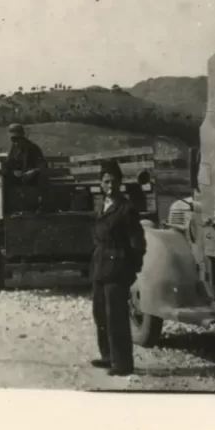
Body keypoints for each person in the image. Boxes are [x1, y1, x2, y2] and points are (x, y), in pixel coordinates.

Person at [90, 159, 147, 377]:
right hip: (100, 265)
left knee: (116, 317)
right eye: (106, 181)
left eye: (114, 181)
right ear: (100, 183)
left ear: (120, 183)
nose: (110, 186)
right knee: (100, 314)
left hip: (117, 268)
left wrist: (132, 269)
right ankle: (108, 356)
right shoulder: (102, 205)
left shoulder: (126, 209)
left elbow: (137, 243)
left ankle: (122, 364)